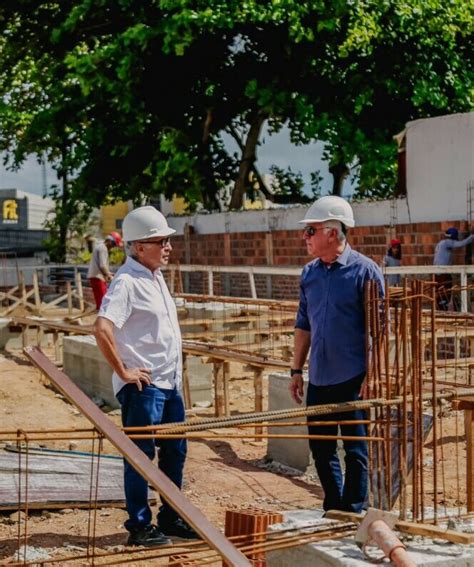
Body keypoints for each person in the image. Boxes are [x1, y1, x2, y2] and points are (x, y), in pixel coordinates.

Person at [94, 206, 198, 547]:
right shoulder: (126, 282)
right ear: (139, 247)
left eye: (168, 240)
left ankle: (170, 516)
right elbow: (102, 327)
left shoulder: (154, 276)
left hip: (168, 385)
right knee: (140, 456)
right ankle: (139, 526)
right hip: (144, 387)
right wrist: (123, 371)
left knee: (174, 453)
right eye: (160, 241)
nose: (168, 246)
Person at [288, 195, 384, 514]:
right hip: (320, 376)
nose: (306, 237)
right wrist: (296, 370)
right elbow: (303, 325)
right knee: (321, 447)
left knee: (357, 449)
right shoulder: (309, 274)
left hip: (354, 376)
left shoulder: (365, 272)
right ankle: (334, 507)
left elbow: (379, 331)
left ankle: (354, 508)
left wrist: (375, 375)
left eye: (311, 231)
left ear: (332, 232)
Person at [433, 227, 474, 310]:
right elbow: (461, 244)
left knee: (441, 294)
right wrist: (472, 237)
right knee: (444, 293)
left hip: (439, 274)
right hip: (442, 274)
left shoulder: (441, 243)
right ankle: (443, 310)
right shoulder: (447, 243)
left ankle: (441, 309)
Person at [87, 231, 123, 309]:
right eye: (113, 244)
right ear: (109, 241)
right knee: (104, 304)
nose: (113, 247)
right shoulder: (103, 248)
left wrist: (108, 273)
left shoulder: (99, 247)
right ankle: (101, 320)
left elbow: (100, 265)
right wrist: (109, 275)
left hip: (95, 276)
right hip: (98, 278)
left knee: (101, 303)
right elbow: (102, 265)